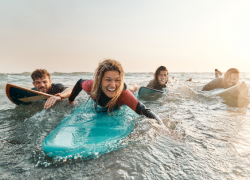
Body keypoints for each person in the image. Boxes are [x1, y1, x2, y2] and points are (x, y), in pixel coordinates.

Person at [68, 59, 163, 125]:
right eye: (108, 79)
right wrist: (71, 100)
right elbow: (80, 82)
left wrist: (164, 129)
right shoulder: (91, 87)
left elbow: (144, 110)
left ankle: (134, 86)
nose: (112, 84)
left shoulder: (124, 95)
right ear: (100, 80)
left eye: (117, 80)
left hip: (125, 90)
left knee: (132, 89)